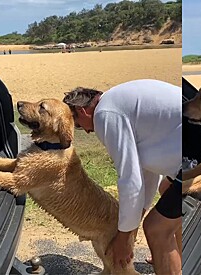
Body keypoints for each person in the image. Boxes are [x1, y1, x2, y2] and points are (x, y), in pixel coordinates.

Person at [63, 79, 182, 275]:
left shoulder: (105, 115)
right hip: (198, 146)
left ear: (82, 111)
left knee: (155, 229)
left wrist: (124, 239)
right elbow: (147, 173)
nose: (85, 130)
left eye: (77, 124)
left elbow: (130, 180)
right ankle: (173, 256)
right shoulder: (117, 101)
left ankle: (167, 253)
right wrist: (134, 222)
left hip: (194, 159)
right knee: (166, 189)